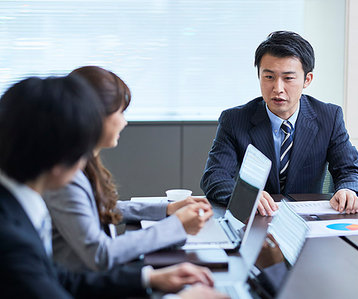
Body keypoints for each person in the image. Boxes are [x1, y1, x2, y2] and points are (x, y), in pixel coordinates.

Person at [0, 76, 226, 298]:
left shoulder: (24, 205)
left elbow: (58, 279)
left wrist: (147, 279)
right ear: (59, 157)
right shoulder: (11, 240)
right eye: (84, 144)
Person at [43, 66, 213, 272]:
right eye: (121, 112)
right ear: (95, 115)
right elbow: (101, 254)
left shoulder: (80, 164)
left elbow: (100, 210)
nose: (125, 122)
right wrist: (176, 226)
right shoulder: (65, 179)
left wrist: (167, 210)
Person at [201, 31, 358, 216]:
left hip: (310, 222)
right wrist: (246, 195)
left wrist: (349, 191)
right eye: (269, 77)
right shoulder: (234, 120)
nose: (277, 88)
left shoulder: (329, 117)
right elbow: (215, 176)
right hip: (255, 219)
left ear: (307, 80)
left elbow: (350, 170)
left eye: (288, 78)